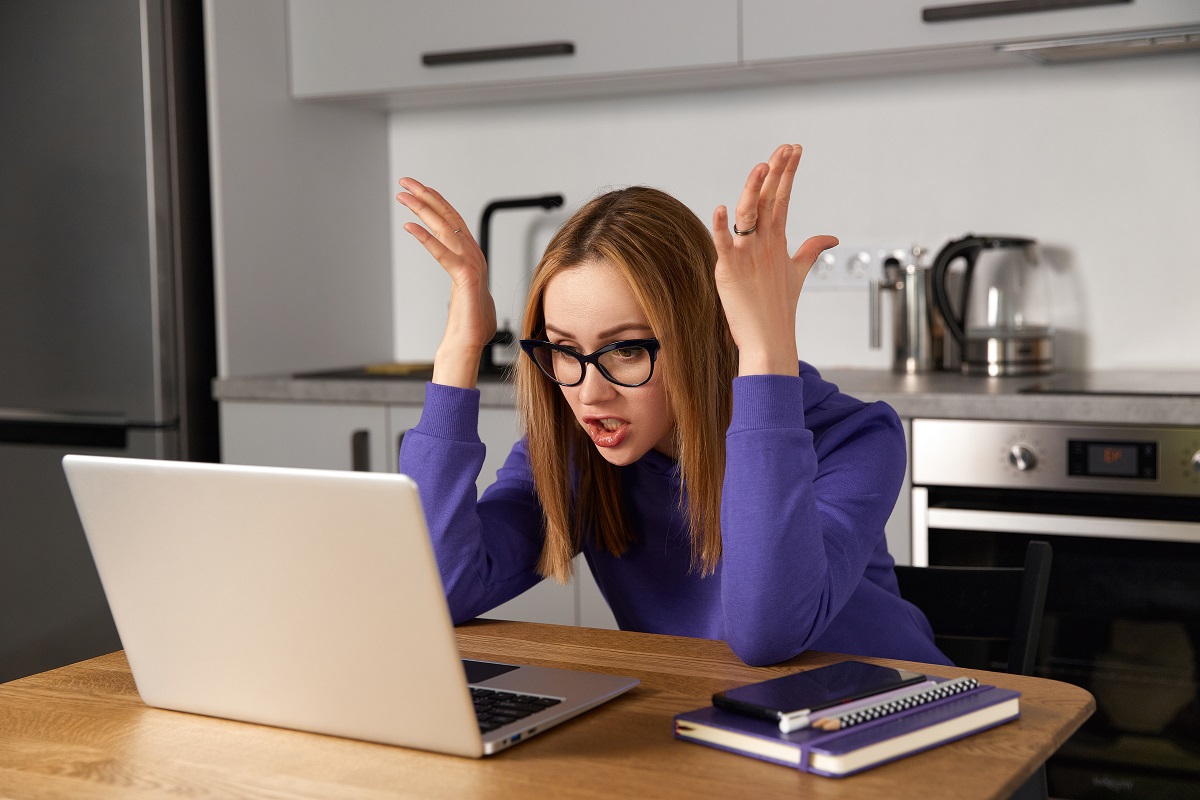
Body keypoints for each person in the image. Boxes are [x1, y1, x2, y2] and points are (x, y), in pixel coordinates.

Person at [395, 144, 949, 667]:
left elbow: (766, 634)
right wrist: (459, 348)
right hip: (716, 730)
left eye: (629, 349)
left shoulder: (853, 438)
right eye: (564, 350)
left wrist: (765, 350)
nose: (590, 394)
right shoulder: (579, 453)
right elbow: (439, 589)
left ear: (698, 337)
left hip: (902, 728)